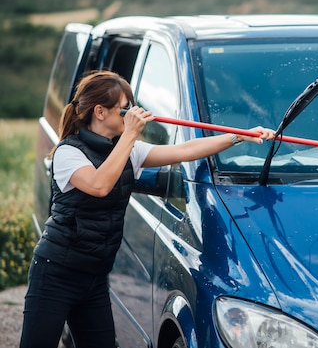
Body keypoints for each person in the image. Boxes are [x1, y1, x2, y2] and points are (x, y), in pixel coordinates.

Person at [19, 70, 275, 348]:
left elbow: (184, 150)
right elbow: (99, 185)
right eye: (124, 109)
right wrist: (130, 134)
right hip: (55, 273)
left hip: (93, 278)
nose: (132, 114)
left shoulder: (127, 149)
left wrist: (237, 137)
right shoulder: (69, 152)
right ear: (100, 112)